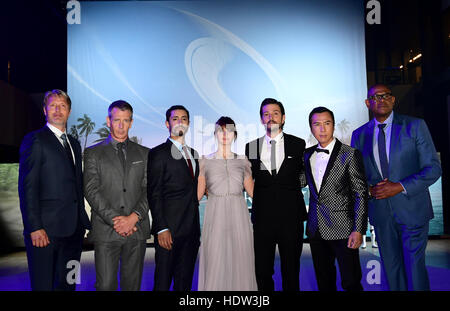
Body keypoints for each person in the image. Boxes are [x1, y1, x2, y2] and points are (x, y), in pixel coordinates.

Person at [351, 84, 442, 291]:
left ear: (393, 100)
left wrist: (399, 186)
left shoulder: (415, 126)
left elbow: (433, 168)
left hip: (413, 210)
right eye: (375, 97)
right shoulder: (359, 134)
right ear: (368, 103)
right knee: (392, 269)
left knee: (414, 269)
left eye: (386, 96)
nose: (381, 100)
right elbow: (357, 175)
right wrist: (368, 190)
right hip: (381, 213)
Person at [18, 89, 91, 291]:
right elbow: (27, 187)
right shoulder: (34, 140)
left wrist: (81, 222)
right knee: (44, 286)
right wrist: (34, 227)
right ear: (44, 110)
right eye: (53, 105)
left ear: (69, 111)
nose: (58, 110)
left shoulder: (75, 144)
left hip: (74, 233)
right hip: (45, 233)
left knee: (69, 283)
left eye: (63, 106)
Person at [83, 100, 150, 291]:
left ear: (131, 122)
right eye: (117, 120)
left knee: (132, 286)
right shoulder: (93, 153)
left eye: (126, 120)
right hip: (106, 230)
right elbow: (91, 190)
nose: (121, 125)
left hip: (136, 229)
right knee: (105, 286)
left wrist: (133, 218)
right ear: (108, 121)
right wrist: (117, 221)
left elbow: (149, 189)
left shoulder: (145, 154)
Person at [245, 98, 307, 291]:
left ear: (283, 117)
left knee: (291, 269)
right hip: (263, 219)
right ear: (261, 119)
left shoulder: (298, 144)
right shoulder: (251, 147)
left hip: (291, 218)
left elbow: (304, 175)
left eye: (275, 113)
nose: (270, 117)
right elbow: (248, 178)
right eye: (266, 114)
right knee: (262, 271)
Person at [305, 106, 369, 291]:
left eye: (327, 123)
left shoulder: (349, 154)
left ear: (333, 126)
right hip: (316, 229)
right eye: (317, 124)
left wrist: (358, 229)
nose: (322, 129)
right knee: (324, 283)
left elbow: (360, 193)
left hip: (344, 230)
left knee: (351, 282)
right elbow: (299, 181)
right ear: (311, 128)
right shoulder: (307, 155)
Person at [197, 117, 257, 291]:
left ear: (235, 135)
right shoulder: (204, 161)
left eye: (229, 130)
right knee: (216, 260)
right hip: (215, 218)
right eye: (220, 130)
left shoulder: (243, 161)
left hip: (240, 218)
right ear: (215, 134)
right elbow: (198, 195)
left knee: (240, 259)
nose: (225, 134)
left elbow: (254, 194)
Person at [147, 105, 200, 291]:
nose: (180, 122)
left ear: (189, 124)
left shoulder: (194, 154)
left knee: (184, 283)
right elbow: (154, 193)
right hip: (168, 233)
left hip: (191, 232)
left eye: (184, 118)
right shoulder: (158, 153)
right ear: (167, 123)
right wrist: (161, 228)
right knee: (162, 283)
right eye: (175, 118)